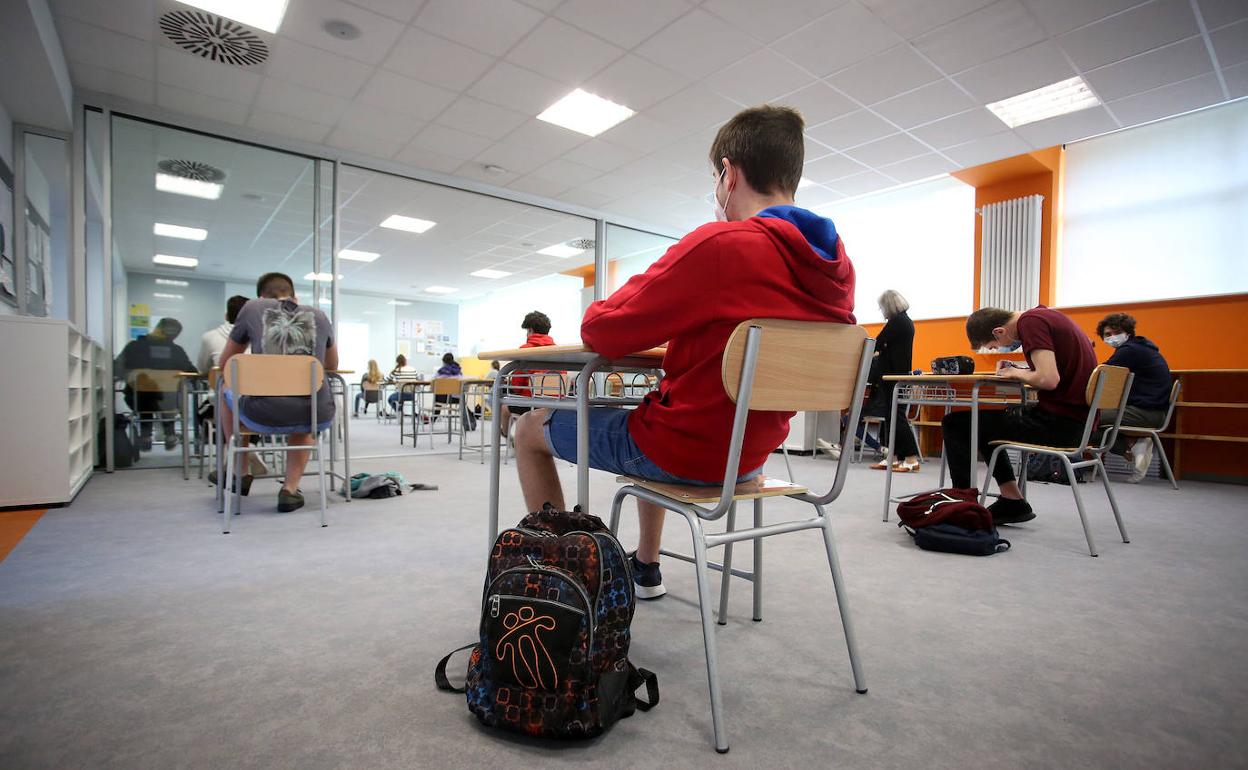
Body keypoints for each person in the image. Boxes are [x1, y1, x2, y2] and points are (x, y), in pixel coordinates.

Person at [512, 105, 856, 600]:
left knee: (528, 428)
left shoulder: (721, 244)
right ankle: (646, 566)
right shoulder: (838, 270)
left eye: (716, 179)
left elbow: (603, 330)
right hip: (749, 458)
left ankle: (561, 582)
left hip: (684, 452)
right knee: (652, 406)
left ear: (728, 174)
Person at [941, 306, 1095, 524]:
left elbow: (1049, 379)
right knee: (983, 423)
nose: (999, 349)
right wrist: (1021, 371)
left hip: (1061, 424)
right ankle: (1012, 500)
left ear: (999, 332)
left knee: (955, 423)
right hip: (1076, 421)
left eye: (994, 346)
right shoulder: (1045, 316)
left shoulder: (1031, 323)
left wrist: (1014, 372)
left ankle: (963, 504)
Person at [215, 272, 337, 512]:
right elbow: (331, 365)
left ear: (261, 297)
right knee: (306, 408)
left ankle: (240, 470)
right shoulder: (320, 315)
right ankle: (290, 489)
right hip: (317, 413)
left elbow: (226, 363)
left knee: (225, 385)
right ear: (294, 297)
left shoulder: (252, 308)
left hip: (264, 413)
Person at [1096, 312, 1173, 482]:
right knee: (1091, 418)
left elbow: (1100, 375)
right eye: (1107, 334)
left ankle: (1128, 447)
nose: (1112, 337)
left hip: (1147, 413)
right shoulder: (1141, 347)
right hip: (1154, 412)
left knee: (1086, 419)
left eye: (1116, 332)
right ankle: (1135, 443)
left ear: (1128, 332)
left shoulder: (1129, 351)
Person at [114, 317, 195, 451]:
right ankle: (170, 434)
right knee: (166, 397)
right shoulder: (177, 351)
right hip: (170, 402)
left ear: (157, 328)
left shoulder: (134, 347)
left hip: (138, 401)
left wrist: (129, 376)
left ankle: (145, 436)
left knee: (145, 394)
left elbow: (117, 368)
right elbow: (192, 372)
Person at [866, 290, 920, 472]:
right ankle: (893, 457)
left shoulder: (898, 321)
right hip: (893, 376)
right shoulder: (902, 321)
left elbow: (878, 342)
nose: (881, 311)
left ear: (888, 306)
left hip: (896, 377)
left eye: (881, 307)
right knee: (891, 417)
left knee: (897, 417)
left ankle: (911, 458)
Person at [500, 310, 556, 437]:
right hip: (554, 402)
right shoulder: (557, 349)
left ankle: (506, 435)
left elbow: (517, 385)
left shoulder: (525, 350)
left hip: (531, 402)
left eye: (527, 331)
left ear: (530, 330)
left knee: (503, 406)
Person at [198, 295, 250, 374]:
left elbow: (203, 369)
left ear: (226, 316)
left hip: (222, 381)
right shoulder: (260, 337)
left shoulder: (210, 337)